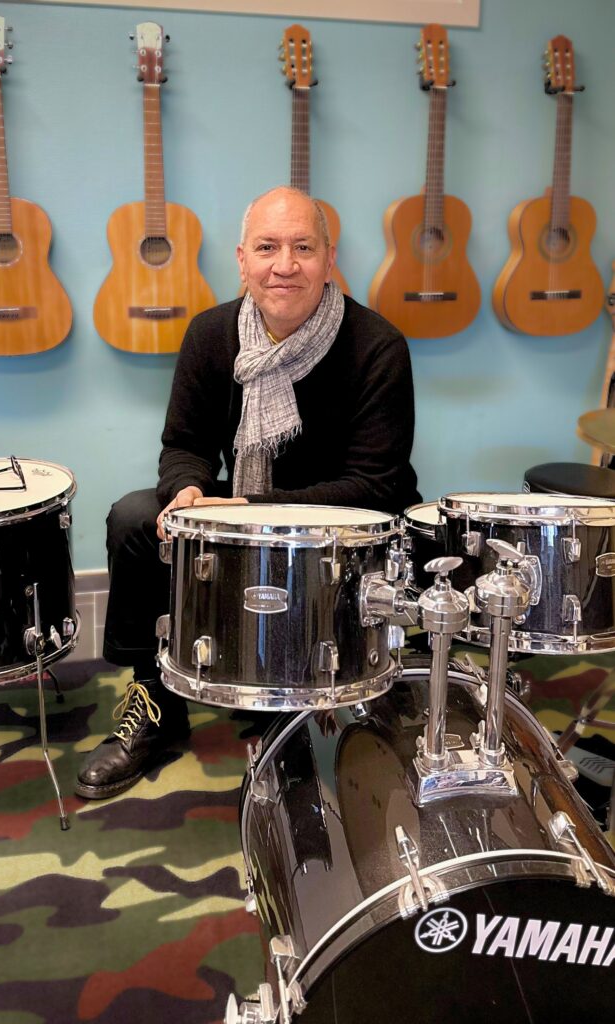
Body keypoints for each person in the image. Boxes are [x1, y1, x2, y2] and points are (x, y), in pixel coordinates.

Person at [75, 185, 421, 799]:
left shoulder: (378, 346)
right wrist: (186, 492)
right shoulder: (211, 335)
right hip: (251, 502)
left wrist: (248, 509)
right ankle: (153, 702)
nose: (284, 265)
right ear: (241, 259)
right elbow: (184, 444)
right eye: (267, 247)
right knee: (134, 519)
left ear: (329, 258)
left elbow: (377, 483)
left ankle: (312, 704)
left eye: (302, 248)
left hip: (348, 520)